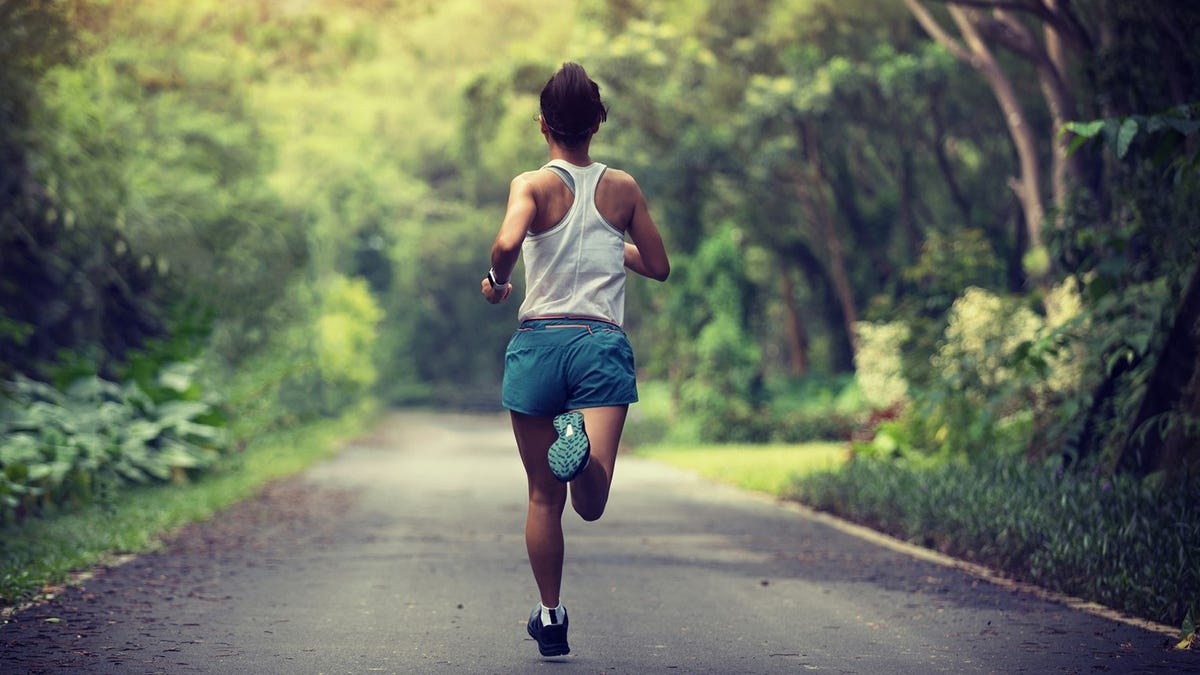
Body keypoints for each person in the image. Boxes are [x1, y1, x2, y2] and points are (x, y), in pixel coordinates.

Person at [480, 61, 670, 658]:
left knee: (542, 496)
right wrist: (617, 245)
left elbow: (509, 243)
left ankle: (551, 616)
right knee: (590, 503)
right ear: (599, 121)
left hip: (539, 345)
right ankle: (581, 454)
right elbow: (659, 266)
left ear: (544, 126)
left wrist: (496, 279)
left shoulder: (531, 185)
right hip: (598, 345)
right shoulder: (624, 188)